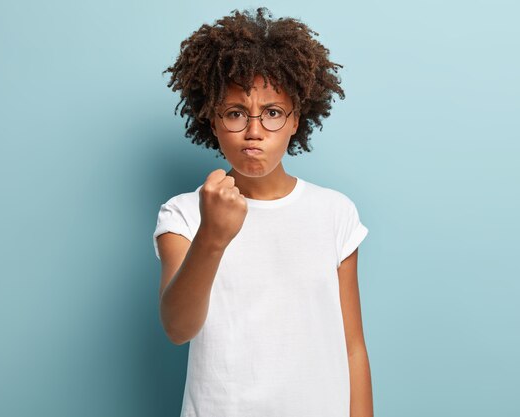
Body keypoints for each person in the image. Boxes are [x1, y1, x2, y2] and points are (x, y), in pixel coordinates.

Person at [153, 7, 373, 417]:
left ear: (296, 120)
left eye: (272, 113)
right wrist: (213, 236)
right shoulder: (183, 215)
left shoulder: (335, 213)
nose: (254, 131)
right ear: (212, 121)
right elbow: (177, 328)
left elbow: (353, 347)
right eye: (236, 113)